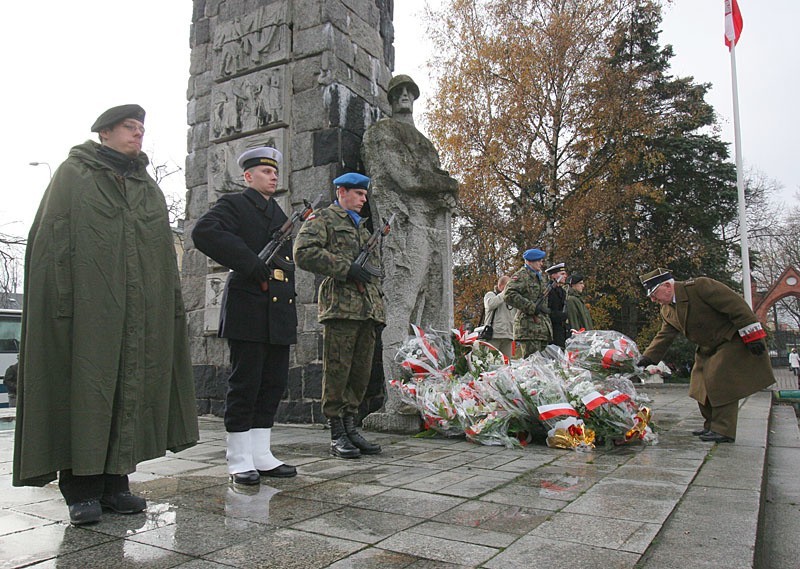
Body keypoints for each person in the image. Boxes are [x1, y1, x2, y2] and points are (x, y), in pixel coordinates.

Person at [13, 104, 199, 525]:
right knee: (86, 389)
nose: (138, 135)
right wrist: (63, 300)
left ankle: (116, 483)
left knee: (129, 388)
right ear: (104, 134)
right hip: (87, 308)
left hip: (138, 311)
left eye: (141, 129)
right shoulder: (73, 176)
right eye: (130, 128)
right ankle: (80, 490)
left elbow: (156, 252)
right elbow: (51, 242)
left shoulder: (145, 185)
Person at [192, 147, 298, 484]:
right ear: (248, 176)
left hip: (278, 309)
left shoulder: (279, 214)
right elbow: (204, 232)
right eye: (265, 172)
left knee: (272, 384)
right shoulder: (234, 205)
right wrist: (249, 262)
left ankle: (261, 454)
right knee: (245, 383)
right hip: (249, 307)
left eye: (275, 172)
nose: (273, 176)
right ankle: (239, 458)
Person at [293, 173, 385, 459]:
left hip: (367, 310)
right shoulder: (324, 219)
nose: (363, 199)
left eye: (364, 195)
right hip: (341, 308)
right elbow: (303, 252)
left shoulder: (363, 229)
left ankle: (351, 426)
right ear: (341, 192)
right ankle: (336, 433)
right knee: (338, 372)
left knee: (359, 374)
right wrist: (345, 267)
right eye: (358, 194)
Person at [636, 268, 774, 443]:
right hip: (707, 347)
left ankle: (724, 430)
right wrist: (648, 358)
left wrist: (753, 336)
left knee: (720, 379)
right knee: (699, 384)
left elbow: (736, 306)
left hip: (730, 340)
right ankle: (710, 425)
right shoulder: (667, 310)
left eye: (655, 294)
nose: (653, 300)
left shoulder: (699, 287)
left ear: (667, 286)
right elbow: (665, 335)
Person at [504, 248, 553, 358]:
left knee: (543, 367)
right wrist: (530, 307)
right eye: (539, 261)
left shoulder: (540, 277)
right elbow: (509, 294)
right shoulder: (521, 276)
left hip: (542, 329)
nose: (541, 263)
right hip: (529, 328)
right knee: (531, 367)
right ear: (530, 261)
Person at [482, 276, 517, 358]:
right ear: (500, 286)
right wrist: (505, 292)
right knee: (491, 362)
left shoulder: (511, 299)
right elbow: (490, 305)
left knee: (507, 365)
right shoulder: (490, 295)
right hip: (494, 336)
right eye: (508, 286)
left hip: (508, 336)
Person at [545, 263, 569, 348]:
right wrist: (559, 315)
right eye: (562, 274)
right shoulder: (548, 290)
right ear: (553, 276)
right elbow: (546, 309)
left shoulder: (562, 291)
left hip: (561, 329)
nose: (565, 276)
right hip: (551, 329)